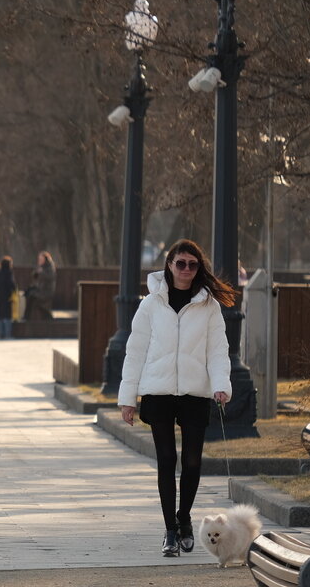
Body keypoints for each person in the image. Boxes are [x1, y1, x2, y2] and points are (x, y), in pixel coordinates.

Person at [118, 239, 233, 558]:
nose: (185, 270)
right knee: (167, 460)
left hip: (196, 393)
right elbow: (135, 350)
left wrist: (221, 384)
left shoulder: (208, 305)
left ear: (198, 269)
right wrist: (128, 398)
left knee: (193, 461)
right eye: (179, 263)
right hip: (159, 392)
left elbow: (218, 350)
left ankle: (184, 519)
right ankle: (170, 530)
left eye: (192, 265)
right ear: (168, 265)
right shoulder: (151, 304)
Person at [0, 256, 18, 339]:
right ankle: (7, 335)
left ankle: (0, 334)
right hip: (7, 297)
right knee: (7, 316)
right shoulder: (9, 273)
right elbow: (12, 285)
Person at [22, 250, 56, 320]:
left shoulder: (50, 267)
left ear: (45, 259)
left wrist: (41, 272)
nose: (39, 260)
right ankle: (26, 315)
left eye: (41, 259)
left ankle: (27, 317)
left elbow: (50, 277)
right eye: (39, 259)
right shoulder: (41, 266)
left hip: (46, 291)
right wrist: (36, 272)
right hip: (40, 289)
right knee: (28, 292)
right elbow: (34, 276)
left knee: (32, 297)